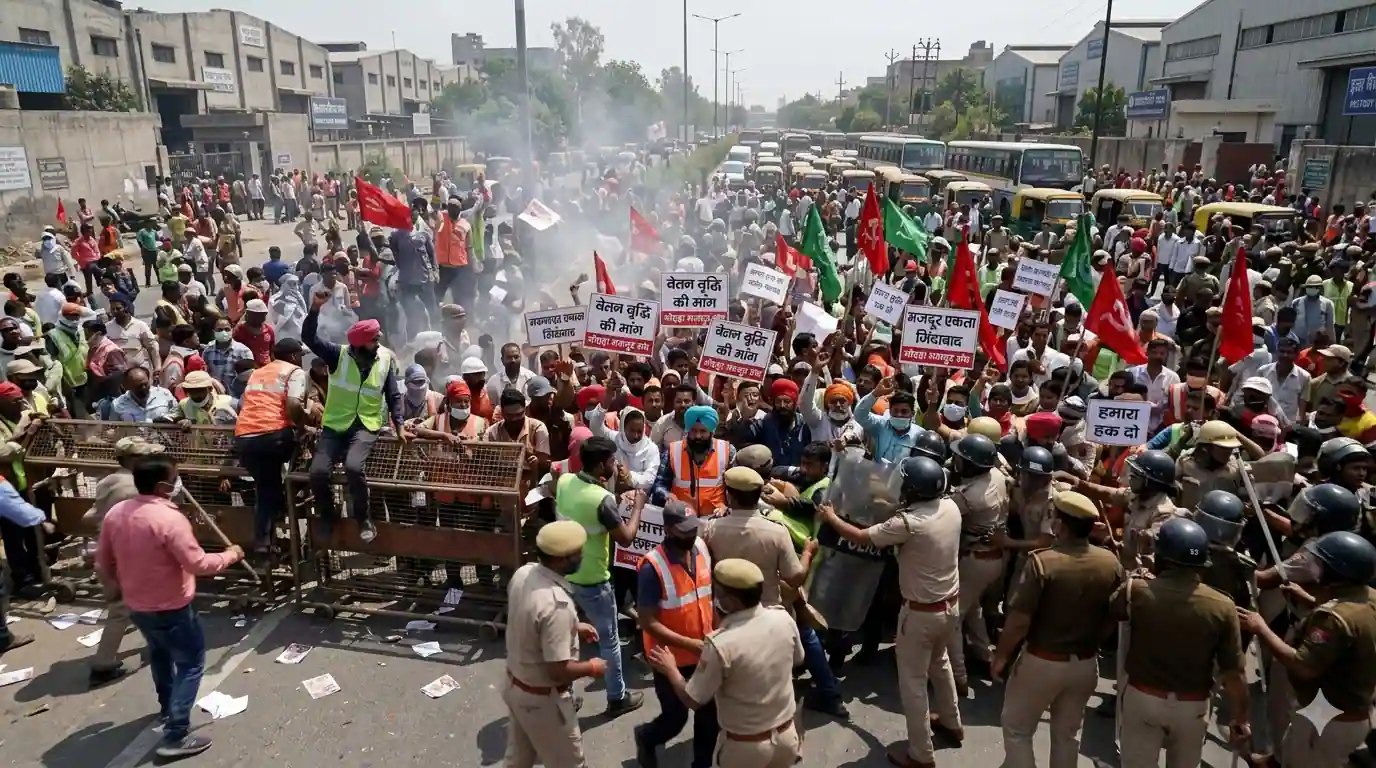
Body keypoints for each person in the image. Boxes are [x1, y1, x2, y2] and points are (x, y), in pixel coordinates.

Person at [95, 452, 246, 759]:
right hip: (172, 606)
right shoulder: (169, 519)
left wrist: (114, 590)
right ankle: (175, 734)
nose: (179, 483)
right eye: (176, 478)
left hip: (138, 605)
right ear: (164, 486)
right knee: (190, 664)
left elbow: (103, 562)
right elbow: (198, 562)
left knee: (160, 655)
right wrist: (231, 555)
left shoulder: (118, 513)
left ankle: (167, 708)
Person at [818, 455, 962, 767]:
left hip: (920, 613)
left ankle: (921, 754)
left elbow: (860, 536)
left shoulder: (907, 523)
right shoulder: (950, 508)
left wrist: (831, 517)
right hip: (950, 606)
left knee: (912, 683)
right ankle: (951, 722)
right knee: (941, 662)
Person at [994, 491, 1124, 768]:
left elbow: (1018, 620)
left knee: (1017, 729)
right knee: (1067, 735)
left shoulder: (1043, 562)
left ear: (1060, 526)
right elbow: (1114, 615)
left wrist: (1002, 656)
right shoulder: (1110, 562)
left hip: (1042, 661)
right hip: (1086, 663)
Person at [1112, 517, 1250, 768]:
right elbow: (1235, 673)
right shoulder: (1223, 606)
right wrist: (1240, 718)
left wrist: (1144, 576)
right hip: (1193, 707)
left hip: (1144, 699)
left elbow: (1113, 611)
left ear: (1162, 556)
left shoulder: (1137, 591)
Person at [644, 558, 804, 768]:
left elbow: (693, 699)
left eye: (717, 592)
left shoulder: (721, 644)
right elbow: (798, 659)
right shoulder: (783, 619)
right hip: (787, 740)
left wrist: (671, 669)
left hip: (746, 751)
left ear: (730, 602)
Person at [1240, 530, 1376, 768]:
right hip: (1335, 707)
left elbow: (1303, 666)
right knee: (1293, 746)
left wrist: (1260, 628)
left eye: (1321, 564)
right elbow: (1353, 620)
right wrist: (1310, 599)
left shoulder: (1333, 619)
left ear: (1336, 574)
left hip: (1332, 720)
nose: (1315, 569)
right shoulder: (1369, 597)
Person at [554, 436, 646, 716]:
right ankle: (616, 698)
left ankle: (565, 698)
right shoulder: (602, 500)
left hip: (563, 576)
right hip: (593, 579)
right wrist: (638, 504)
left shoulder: (566, 482)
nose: (616, 464)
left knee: (565, 639)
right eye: (612, 461)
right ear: (599, 466)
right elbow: (627, 537)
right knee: (609, 641)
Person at [303, 295, 407, 543]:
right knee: (317, 473)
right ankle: (328, 516)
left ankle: (363, 518)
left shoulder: (384, 360)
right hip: (336, 425)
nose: (378, 340)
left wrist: (400, 425)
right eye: (374, 338)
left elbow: (393, 395)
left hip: (366, 425)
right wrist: (315, 308)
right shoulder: (337, 356)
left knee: (353, 467)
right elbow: (309, 339)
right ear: (360, 344)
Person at [502, 519, 604, 768]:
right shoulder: (557, 604)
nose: (581, 556)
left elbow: (529, 619)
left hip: (517, 687)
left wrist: (573, 628)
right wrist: (592, 667)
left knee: (518, 761)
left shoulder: (524, 573)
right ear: (560, 560)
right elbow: (558, 670)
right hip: (544, 702)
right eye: (576, 553)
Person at [633, 500, 719, 768]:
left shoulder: (702, 549)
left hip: (703, 651)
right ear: (668, 530)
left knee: (709, 716)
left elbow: (709, 596)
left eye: (694, 529)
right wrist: (690, 644)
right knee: (675, 718)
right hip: (669, 658)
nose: (691, 535)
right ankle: (646, 738)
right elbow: (647, 621)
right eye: (684, 531)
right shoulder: (652, 567)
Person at [82, 436, 164, 686]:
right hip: (124, 554)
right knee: (121, 610)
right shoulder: (131, 488)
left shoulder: (109, 480)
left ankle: (158, 646)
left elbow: (92, 515)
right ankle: (103, 663)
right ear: (131, 459)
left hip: (110, 550)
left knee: (147, 602)